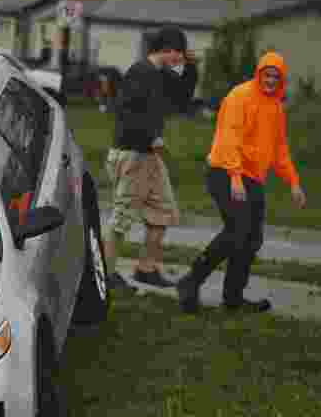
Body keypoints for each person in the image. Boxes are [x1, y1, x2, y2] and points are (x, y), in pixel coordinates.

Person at [176, 52, 306, 314]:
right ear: (259, 74)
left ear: (281, 80)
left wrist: (293, 182)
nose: (270, 80)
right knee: (237, 230)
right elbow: (228, 138)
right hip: (224, 171)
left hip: (253, 178)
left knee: (251, 238)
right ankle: (190, 281)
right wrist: (235, 176)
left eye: (276, 77)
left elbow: (279, 150)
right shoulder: (240, 96)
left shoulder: (277, 107)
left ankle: (233, 298)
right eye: (267, 75)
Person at [102, 26, 198, 291]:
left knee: (163, 212)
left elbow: (182, 98)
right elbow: (126, 111)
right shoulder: (140, 72)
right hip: (133, 154)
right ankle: (107, 275)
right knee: (121, 218)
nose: (180, 57)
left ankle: (146, 269)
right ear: (167, 50)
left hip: (149, 157)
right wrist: (151, 135)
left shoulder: (160, 75)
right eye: (179, 52)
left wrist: (190, 67)